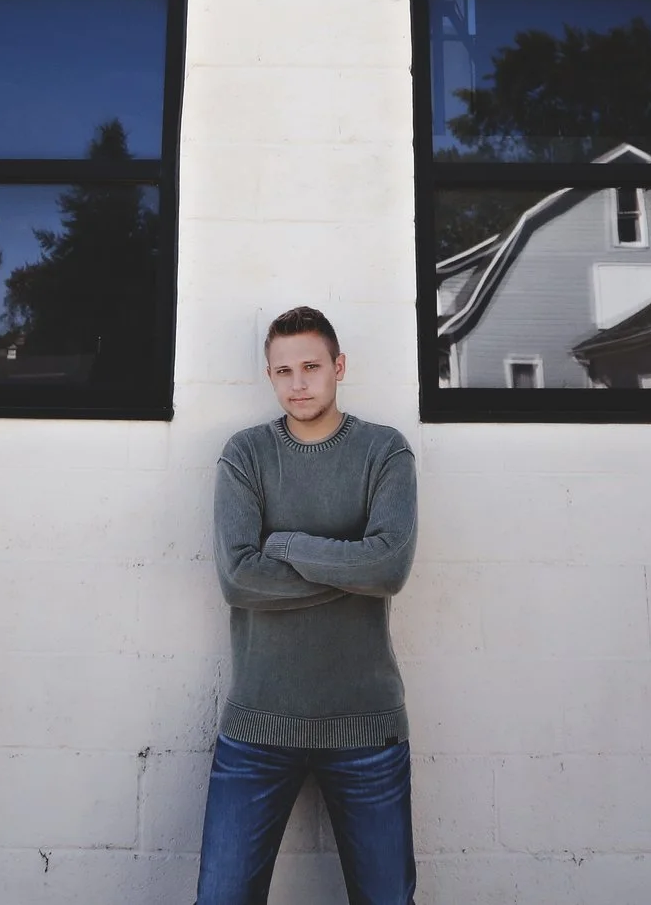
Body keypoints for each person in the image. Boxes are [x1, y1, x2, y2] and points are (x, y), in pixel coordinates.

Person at [197, 305, 419, 905]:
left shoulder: (384, 451)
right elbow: (240, 579)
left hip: (367, 729)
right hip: (257, 727)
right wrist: (353, 566)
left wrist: (287, 544)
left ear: (338, 367)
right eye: (283, 371)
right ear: (269, 376)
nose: (298, 383)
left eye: (311, 367)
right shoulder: (245, 455)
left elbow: (390, 567)